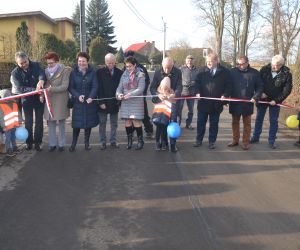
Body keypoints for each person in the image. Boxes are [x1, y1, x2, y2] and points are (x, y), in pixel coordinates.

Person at [250, 54, 293, 149]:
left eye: (276, 65)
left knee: (273, 121)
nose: (273, 67)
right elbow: (258, 83)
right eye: (273, 64)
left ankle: (271, 140)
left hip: (275, 101)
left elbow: (287, 90)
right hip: (262, 99)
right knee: (259, 118)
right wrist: (261, 93)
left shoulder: (287, 74)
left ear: (281, 65)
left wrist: (276, 100)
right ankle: (255, 137)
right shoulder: (264, 69)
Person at [194, 52, 232, 149]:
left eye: (210, 61)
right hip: (203, 103)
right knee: (201, 123)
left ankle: (212, 142)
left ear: (216, 61)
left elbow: (228, 86)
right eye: (207, 61)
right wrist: (197, 92)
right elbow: (196, 83)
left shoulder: (225, 72)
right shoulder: (202, 71)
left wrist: (225, 95)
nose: (208, 63)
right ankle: (198, 140)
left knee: (214, 124)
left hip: (216, 104)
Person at [11, 51, 45, 151]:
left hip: (39, 99)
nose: (24, 64)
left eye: (25, 62)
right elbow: (20, 88)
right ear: (17, 63)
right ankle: (29, 143)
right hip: (26, 100)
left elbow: (41, 73)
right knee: (28, 122)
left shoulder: (36, 65)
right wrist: (35, 90)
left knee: (39, 122)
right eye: (21, 63)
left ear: (27, 59)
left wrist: (41, 80)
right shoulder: (15, 73)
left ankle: (38, 142)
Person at [228, 56, 263, 150]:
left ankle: (245, 142)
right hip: (235, 102)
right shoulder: (232, 72)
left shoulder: (254, 73)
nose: (240, 66)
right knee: (235, 122)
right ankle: (235, 140)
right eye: (238, 64)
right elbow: (227, 85)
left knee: (247, 123)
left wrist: (256, 97)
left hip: (248, 102)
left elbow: (260, 87)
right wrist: (226, 98)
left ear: (247, 62)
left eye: (242, 64)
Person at [150, 57, 182, 153]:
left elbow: (179, 86)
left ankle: (173, 144)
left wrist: (174, 94)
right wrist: (158, 94)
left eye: (169, 67)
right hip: (161, 101)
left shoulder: (178, 72)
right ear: (162, 65)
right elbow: (152, 88)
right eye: (165, 67)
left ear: (173, 65)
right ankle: (162, 142)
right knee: (161, 123)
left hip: (172, 101)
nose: (167, 70)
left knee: (173, 122)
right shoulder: (157, 72)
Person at [68, 52, 99, 152]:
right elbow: (71, 87)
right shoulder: (73, 73)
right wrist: (77, 96)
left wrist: (91, 97)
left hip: (89, 102)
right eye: (79, 61)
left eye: (83, 61)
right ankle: (73, 144)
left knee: (88, 124)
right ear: (77, 62)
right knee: (76, 124)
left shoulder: (92, 72)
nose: (81, 63)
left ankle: (87, 143)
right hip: (78, 102)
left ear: (87, 61)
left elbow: (95, 86)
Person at [43, 52, 72, 152]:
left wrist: (51, 89)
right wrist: (42, 95)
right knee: (50, 123)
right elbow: (44, 85)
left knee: (61, 123)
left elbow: (65, 86)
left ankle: (62, 144)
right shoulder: (46, 71)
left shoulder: (64, 70)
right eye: (48, 63)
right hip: (49, 99)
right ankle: (52, 144)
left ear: (57, 61)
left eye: (52, 63)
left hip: (61, 100)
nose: (49, 65)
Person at [116, 56, 145, 150]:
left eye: (130, 66)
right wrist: (119, 94)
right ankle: (130, 141)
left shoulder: (140, 74)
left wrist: (130, 94)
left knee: (136, 121)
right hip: (126, 102)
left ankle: (140, 141)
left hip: (136, 101)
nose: (128, 68)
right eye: (126, 66)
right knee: (127, 121)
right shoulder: (124, 74)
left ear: (134, 65)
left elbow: (141, 89)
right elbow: (119, 87)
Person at [124, 50, 154, 138]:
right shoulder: (125, 68)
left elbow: (147, 81)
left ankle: (149, 131)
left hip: (139, 97)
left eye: (129, 57)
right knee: (130, 116)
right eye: (126, 58)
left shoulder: (141, 68)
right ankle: (131, 133)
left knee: (143, 114)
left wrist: (142, 92)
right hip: (128, 97)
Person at [97, 53, 123, 150]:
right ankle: (102, 142)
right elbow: (98, 88)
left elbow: (121, 87)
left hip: (114, 103)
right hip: (103, 102)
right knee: (102, 123)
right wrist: (101, 102)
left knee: (114, 123)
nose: (110, 65)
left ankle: (113, 141)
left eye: (112, 63)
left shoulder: (120, 72)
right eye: (108, 63)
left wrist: (119, 101)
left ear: (115, 62)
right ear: (105, 62)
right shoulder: (99, 72)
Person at [152, 76, 175, 150]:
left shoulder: (170, 95)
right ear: (160, 87)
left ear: (168, 88)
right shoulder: (158, 94)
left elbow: (173, 102)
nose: (164, 90)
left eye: (166, 88)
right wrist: (159, 96)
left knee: (164, 130)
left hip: (166, 116)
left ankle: (164, 143)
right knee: (158, 130)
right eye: (163, 88)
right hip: (158, 116)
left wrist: (168, 97)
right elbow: (154, 100)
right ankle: (157, 143)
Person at [178, 55, 199, 129]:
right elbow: (178, 80)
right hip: (182, 92)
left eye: (191, 59)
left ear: (193, 61)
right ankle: (178, 124)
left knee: (191, 110)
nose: (189, 61)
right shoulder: (181, 69)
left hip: (192, 92)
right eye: (188, 59)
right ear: (185, 60)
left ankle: (188, 124)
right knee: (179, 109)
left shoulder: (197, 70)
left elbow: (198, 81)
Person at [0, 89, 21, 156]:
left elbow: (18, 113)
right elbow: (1, 117)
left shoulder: (14, 103)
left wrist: (20, 120)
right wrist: (3, 126)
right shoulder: (1, 105)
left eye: (8, 96)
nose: (7, 98)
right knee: (8, 139)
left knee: (13, 137)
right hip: (7, 127)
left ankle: (14, 148)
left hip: (14, 125)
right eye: (5, 97)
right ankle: (8, 150)